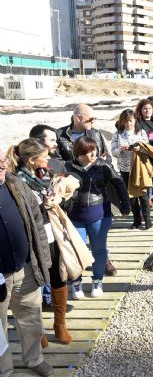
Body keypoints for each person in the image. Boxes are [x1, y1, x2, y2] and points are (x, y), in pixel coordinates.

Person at [7, 138, 74, 345]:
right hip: (32, 237)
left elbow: (71, 182)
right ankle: (38, 330)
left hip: (51, 233)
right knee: (34, 281)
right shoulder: (16, 181)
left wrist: (57, 198)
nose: (49, 159)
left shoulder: (45, 174)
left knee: (58, 276)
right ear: (32, 160)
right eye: (45, 157)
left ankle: (60, 324)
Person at [0, 147, 55, 377]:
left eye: (2, 159)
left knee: (31, 318)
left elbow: (35, 220)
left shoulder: (15, 183)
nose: (2, 165)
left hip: (25, 268)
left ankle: (34, 359)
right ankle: (4, 369)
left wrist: (43, 256)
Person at [65, 137, 130, 299]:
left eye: (95, 149)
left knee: (99, 249)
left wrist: (125, 205)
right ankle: (76, 283)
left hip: (100, 214)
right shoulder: (68, 167)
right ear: (79, 152)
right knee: (76, 251)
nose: (94, 153)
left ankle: (97, 281)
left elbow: (119, 183)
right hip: (75, 216)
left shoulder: (104, 165)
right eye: (89, 150)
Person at [29, 125, 74, 314]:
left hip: (54, 226)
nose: (56, 144)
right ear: (39, 142)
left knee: (57, 269)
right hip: (35, 230)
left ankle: (58, 317)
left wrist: (61, 198)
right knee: (37, 270)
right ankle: (40, 305)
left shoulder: (56, 164)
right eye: (52, 140)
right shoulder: (18, 176)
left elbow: (68, 195)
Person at [111, 109, 151, 230]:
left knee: (142, 193)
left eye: (131, 121)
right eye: (126, 121)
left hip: (139, 167)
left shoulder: (141, 132)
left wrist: (139, 148)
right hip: (125, 168)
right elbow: (113, 152)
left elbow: (148, 149)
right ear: (122, 122)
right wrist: (121, 150)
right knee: (131, 195)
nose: (129, 124)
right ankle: (137, 220)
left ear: (135, 120)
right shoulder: (117, 134)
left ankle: (147, 218)